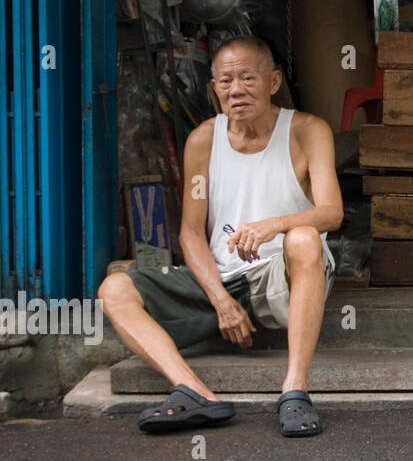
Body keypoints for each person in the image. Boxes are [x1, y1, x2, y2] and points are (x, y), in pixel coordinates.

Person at [99, 36, 343, 437]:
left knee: (302, 237)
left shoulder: (306, 130)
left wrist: (272, 225)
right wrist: (221, 300)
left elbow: (331, 213)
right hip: (223, 280)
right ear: (214, 89)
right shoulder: (203, 140)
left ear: (274, 81)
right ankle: (194, 392)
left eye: (247, 77)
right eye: (225, 81)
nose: (236, 89)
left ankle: (295, 391)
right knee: (114, 290)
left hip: (277, 278)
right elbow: (192, 233)